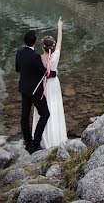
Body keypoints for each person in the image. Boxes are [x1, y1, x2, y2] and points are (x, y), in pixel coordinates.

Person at [15, 29, 56, 154]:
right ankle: (36, 143)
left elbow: (18, 69)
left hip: (23, 89)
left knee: (25, 116)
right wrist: (55, 73)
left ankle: (27, 142)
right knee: (45, 114)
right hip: (35, 91)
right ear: (34, 42)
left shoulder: (19, 53)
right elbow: (44, 73)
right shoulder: (35, 56)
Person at [32, 17, 67, 148]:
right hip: (54, 83)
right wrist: (59, 27)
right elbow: (59, 41)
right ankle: (57, 137)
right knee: (55, 107)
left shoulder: (39, 58)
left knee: (44, 109)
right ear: (51, 46)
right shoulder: (56, 55)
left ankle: (43, 139)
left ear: (43, 46)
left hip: (44, 85)